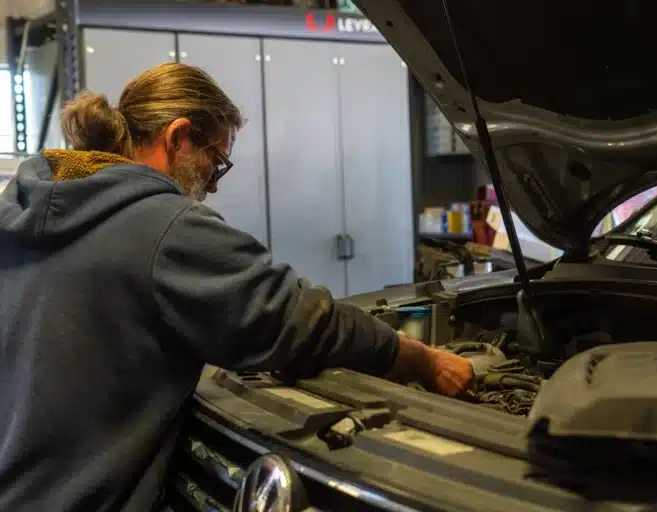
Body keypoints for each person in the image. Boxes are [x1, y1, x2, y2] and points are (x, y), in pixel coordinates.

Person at [0, 63, 474, 511]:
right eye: (216, 161)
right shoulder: (163, 227)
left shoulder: (22, 211)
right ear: (179, 135)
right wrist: (421, 360)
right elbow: (297, 321)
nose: (214, 184)